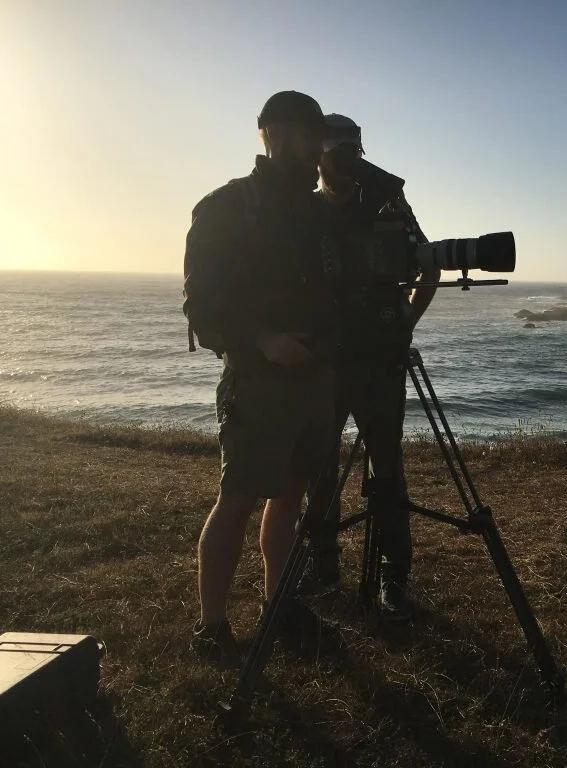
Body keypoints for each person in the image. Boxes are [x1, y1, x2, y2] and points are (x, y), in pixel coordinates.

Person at [183, 90, 341, 667]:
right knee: (238, 498)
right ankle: (213, 626)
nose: (315, 148)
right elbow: (202, 307)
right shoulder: (228, 207)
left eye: (319, 137)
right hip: (259, 382)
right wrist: (264, 341)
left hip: (316, 381)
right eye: (306, 134)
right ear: (271, 133)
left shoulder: (323, 213)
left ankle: (280, 604)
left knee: (293, 498)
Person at [301, 113, 440, 621]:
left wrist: (406, 318)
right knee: (318, 466)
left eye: (351, 154)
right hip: (323, 359)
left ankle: (393, 577)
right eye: (333, 153)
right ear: (316, 156)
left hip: (381, 356)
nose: (342, 164)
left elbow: (430, 266)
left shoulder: (387, 203)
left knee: (387, 467)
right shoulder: (303, 212)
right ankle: (321, 567)